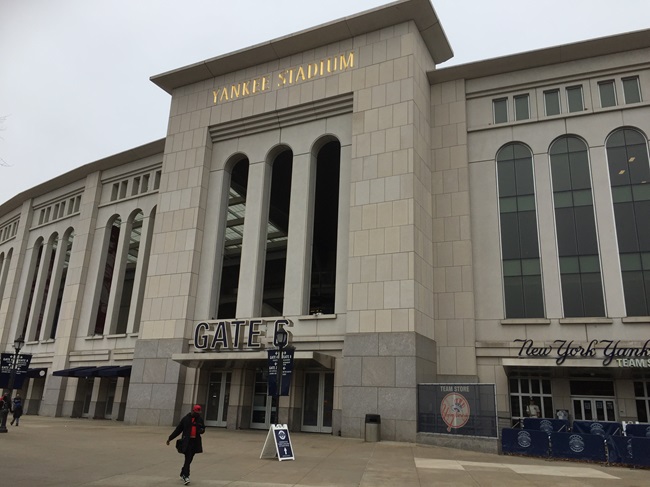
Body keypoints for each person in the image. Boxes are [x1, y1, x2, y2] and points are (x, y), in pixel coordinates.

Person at [166, 404, 205, 485]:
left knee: (190, 458)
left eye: (199, 412)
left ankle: (183, 471)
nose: (198, 414)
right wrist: (170, 438)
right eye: (197, 412)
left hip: (195, 442)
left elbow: (203, 428)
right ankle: (186, 475)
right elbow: (178, 430)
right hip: (187, 442)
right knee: (188, 458)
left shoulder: (200, 419)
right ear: (193, 411)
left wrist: (201, 430)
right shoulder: (186, 419)